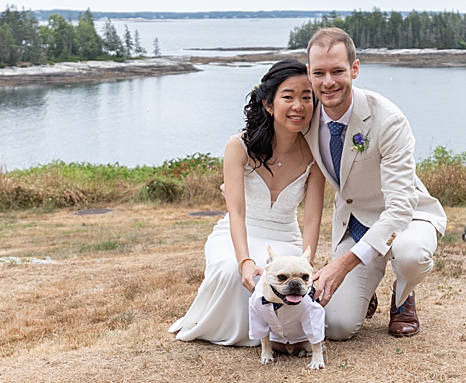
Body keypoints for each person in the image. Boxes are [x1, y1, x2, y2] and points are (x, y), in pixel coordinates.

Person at [169, 60, 326, 346]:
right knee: (231, 271)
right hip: (238, 231)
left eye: (307, 97)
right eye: (288, 96)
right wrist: (244, 261)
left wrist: (307, 263)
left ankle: (281, 331)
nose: (299, 106)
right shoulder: (238, 146)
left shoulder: (316, 153)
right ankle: (239, 331)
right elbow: (236, 211)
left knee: (286, 283)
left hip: (284, 236)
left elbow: (313, 218)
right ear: (268, 104)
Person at [304, 27, 447, 340]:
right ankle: (364, 290)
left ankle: (403, 292)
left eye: (338, 71)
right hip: (355, 221)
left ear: (355, 69)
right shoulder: (306, 117)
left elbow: (399, 208)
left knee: (410, 256)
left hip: (407, 216)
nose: (328, 82)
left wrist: (342, 264)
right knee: (337, 328)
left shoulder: (389, 120)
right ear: (309, 74)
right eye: (320, 73)